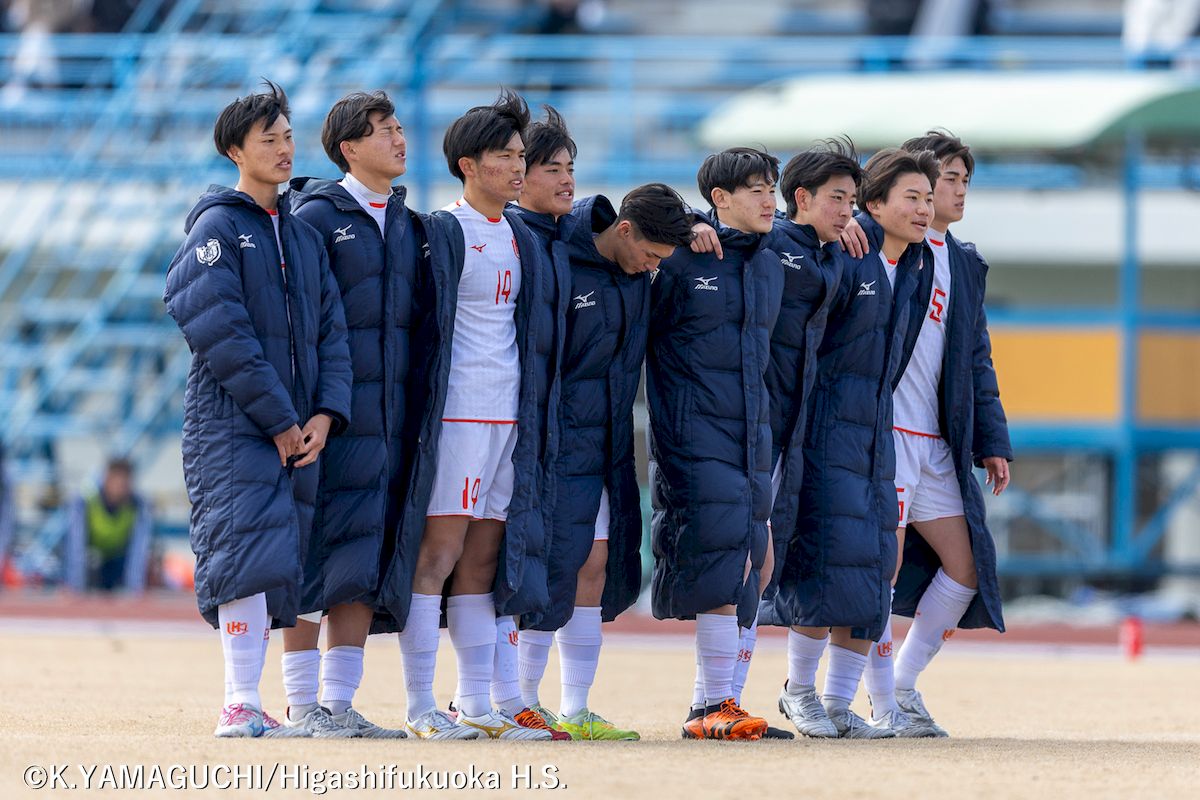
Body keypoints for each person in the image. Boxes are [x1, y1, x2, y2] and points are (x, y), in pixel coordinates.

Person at [163, 80, 353, 738]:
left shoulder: (301, 235)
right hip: (233, 425)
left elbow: (332, 333)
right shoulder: (216, 227)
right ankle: (239, 701)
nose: (283, 148)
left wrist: (325, 414)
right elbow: (221, 332)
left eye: (288, 136)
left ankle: (259, 701)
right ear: (234, 152)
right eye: (267, 139)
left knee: (276, 556)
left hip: (297, 429)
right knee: (243, 551)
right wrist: (279, 418)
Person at [384, 89, 559, 741]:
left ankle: (476, 703)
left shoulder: (520, 235)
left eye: (521, 156)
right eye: (504, 156)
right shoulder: (443, 230)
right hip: (458, 413)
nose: (518, 168)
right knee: (438, 555)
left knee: (484, 563)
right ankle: (419, 706)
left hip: (508, 417)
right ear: (467, 164)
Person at [514, 146, 695, 738]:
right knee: (553, 566)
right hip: (555, 442)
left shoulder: (639, 275)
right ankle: (519, 700)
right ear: (623, 230)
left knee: (595, 565)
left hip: (608, 444)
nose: (651, 268)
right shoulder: (558, 257)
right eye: (649, 255)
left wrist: (700, 229)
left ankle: (575, 707)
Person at [773, 147, 938, 739]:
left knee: (874, 570)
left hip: (875, 433)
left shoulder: (915, 265)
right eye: (911, 198)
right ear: (876, 204)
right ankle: (798, 691)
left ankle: (840, 704)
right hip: (826, 430)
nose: (924, 209)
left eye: (928, 198)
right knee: (827, 560)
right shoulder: (846, 250)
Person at [859, 131, 1012, 737]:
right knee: (882, 566)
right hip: (886, 434)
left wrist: (991, 440)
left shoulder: (966, 262)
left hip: (939, 440)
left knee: (968, 567)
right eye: (946, 179)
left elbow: (977, 357)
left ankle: (902, 683)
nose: (955, 192)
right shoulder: (885, 246)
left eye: (963, 181)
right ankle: (878, 704)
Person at [281, 89, 419, 739]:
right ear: (350, 148)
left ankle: (338, 706)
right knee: (313, 556)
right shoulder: (314, 216)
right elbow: (297, 321)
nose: (399, 138)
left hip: (389, 421)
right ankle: (299, 704)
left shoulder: (410, 222)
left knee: (362, 560)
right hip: (327, 418)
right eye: (385, 129)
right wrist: (315, 408)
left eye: (400, 127)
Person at [647, 147, 783, 741]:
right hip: (695, 430)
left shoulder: (771, 262)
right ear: (720, 199)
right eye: (756, 189)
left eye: (773, 188)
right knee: (726, 559)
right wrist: (686, 226)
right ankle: (718, 703)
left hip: (751, 433)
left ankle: (709, 708)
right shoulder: (680, 259)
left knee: (755, 560)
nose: (769, 199)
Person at [63, 457, 153, 594]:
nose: (120, 488)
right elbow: (76, 544)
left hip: (118, 561)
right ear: (107, 479)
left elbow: (138, 550)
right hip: (91, 559)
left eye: (125, 483)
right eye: (117, 482)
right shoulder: (85, 501)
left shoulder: (137, 505)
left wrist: (135, 588)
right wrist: (75, 585)